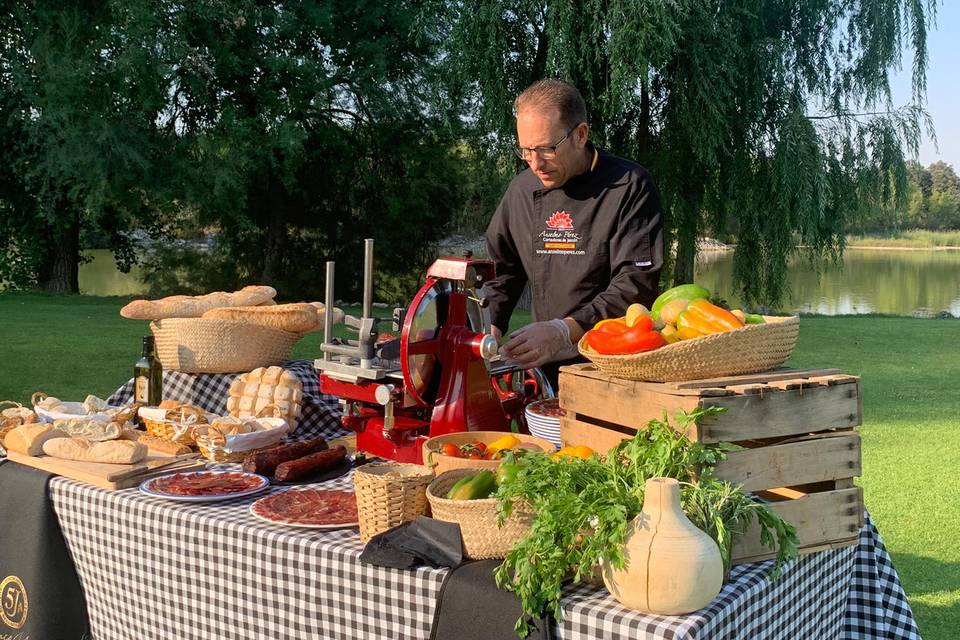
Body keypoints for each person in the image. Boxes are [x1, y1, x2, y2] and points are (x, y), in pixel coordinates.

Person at [484, 79, 664, 389]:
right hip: (544, 368)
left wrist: (564, 331)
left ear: (580, 135)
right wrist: (489, 330)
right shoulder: (521, 191)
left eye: (547, 149)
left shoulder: (629, 186)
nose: (536, 164)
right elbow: (501, 273)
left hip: (611, 366)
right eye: (526, 150)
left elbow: (635, 285)